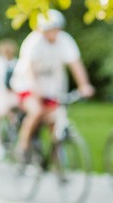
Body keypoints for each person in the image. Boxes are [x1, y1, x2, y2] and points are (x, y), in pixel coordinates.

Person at [10, 9, 95, 158]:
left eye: (56, 29)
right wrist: (35, 89)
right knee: (36, 110)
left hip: (51, 86)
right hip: (26, 83)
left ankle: (56, 160)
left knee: (56, 118)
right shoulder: (34, 41)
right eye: (50, 30)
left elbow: (76, 64)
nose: (54, 33)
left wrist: (84, 85)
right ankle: (22, 146)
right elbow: (29, 69)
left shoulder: (65, 41)